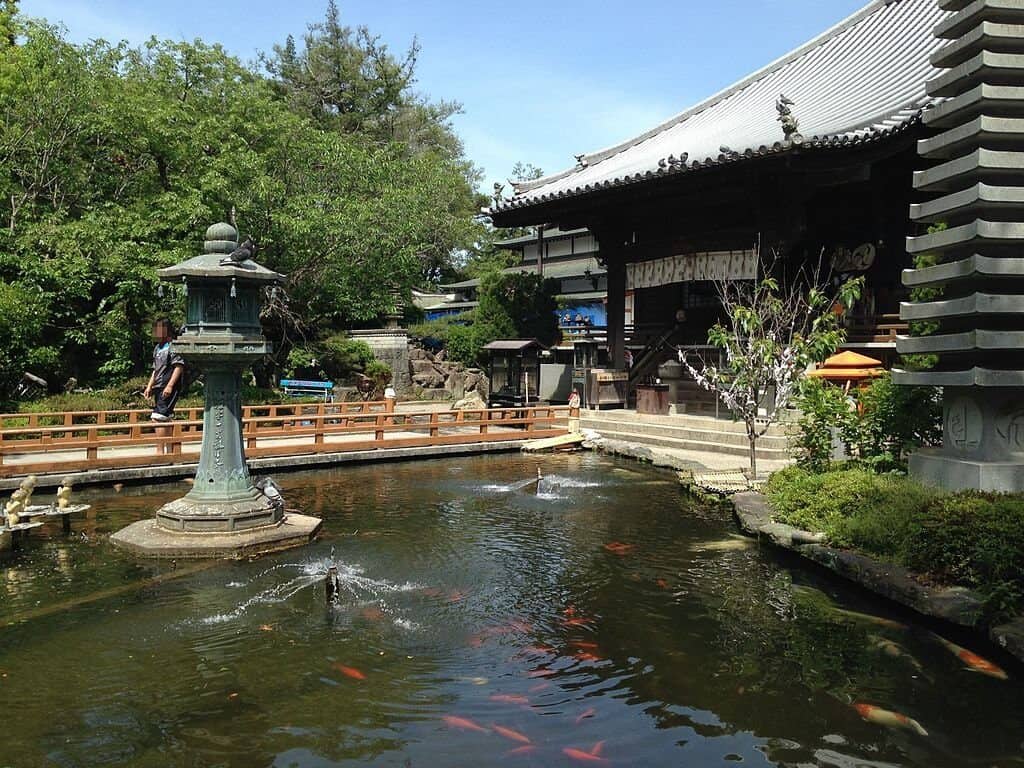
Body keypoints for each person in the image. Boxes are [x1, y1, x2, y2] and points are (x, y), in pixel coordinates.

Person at [144, 319, 185, 450]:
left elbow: (179, 366)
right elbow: (155, 370)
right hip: (158, 385)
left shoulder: (173, 346)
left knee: (157, 417)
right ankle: (170, 451)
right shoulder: (157, 348)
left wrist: (170, 385)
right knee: (165, 417)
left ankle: (160, 451)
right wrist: (150, 386)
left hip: (168, 384)